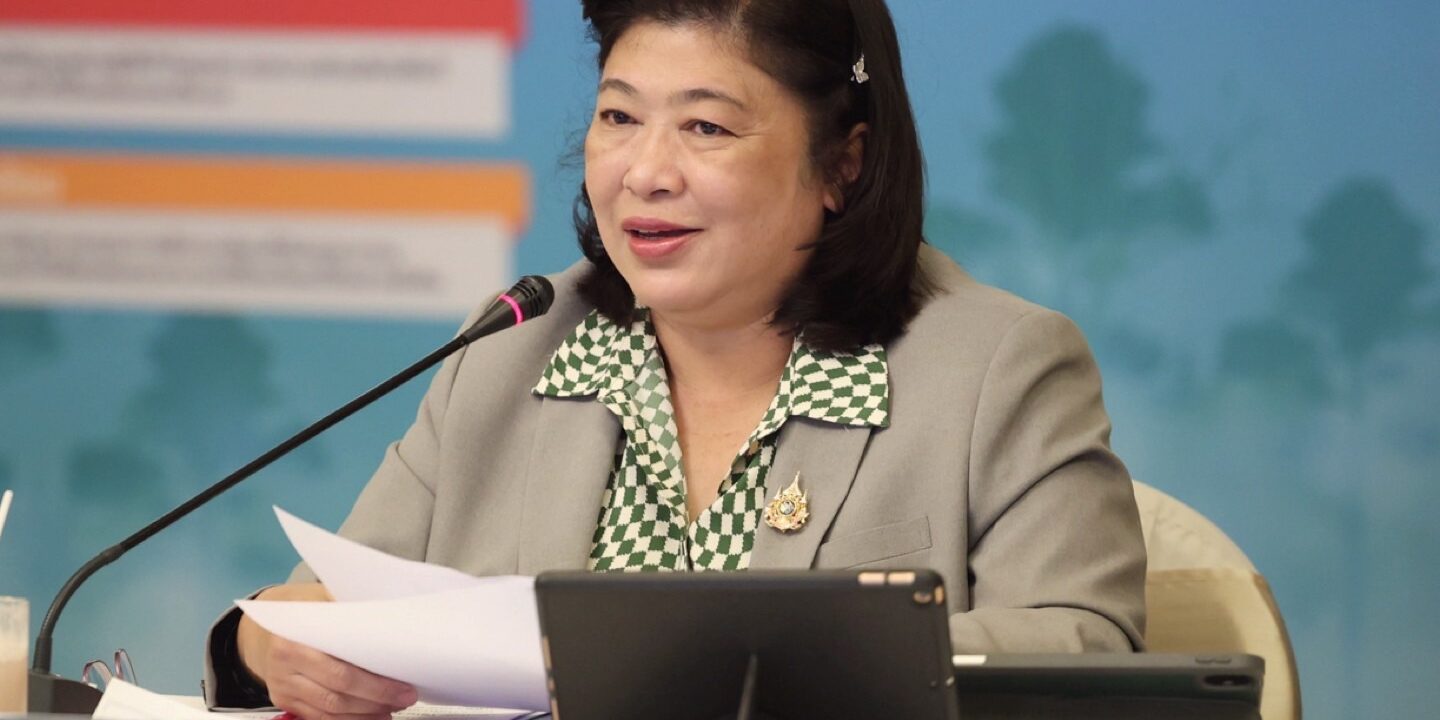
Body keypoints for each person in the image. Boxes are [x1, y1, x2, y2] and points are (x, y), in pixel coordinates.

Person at [203, 0, 1147, 717]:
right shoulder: (512, 350)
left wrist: (765, 664)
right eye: (620, 118)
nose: (645, 172)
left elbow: (1089, 651)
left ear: (843, 165)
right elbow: (325, 610)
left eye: (706, 127)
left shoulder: (996, 368)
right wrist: (267, 647)